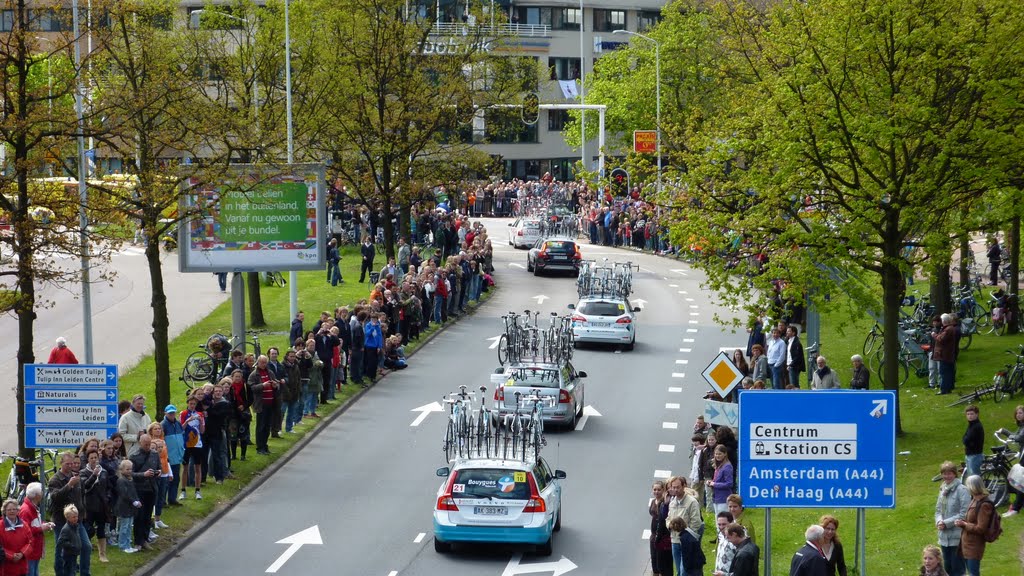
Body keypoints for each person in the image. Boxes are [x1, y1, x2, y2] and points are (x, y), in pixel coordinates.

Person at [48, 452, 89, 576]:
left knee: (86, 546)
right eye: (67, 464)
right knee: (62, 551)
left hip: (77, 520)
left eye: (72, 463)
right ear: (61, 463)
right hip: (62, 521)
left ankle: (84, 573)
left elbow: (81, 497)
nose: (70, 466)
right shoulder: (55, 479)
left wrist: (83, 512)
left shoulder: (77, 477)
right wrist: (69, 485)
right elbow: (55, 498)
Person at [934, 460, 969, 576]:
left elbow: (964, 513)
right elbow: (938, 510)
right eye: (944, 473)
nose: (946, 476)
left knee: (958, 569)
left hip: (957, 536)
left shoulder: (962, 490)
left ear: (955, 474)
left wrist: (946, 523)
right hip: (944, 536)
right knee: (947, 568)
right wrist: (939, 521)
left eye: (949, 473)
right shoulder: (943, 489)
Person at [956, 475, 994, 576]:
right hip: (967, 543)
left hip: (974, 545)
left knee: (973, 573)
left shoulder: (984, 504)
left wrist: (964, 524)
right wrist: (962, 521)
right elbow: (970, 518)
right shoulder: (974, 499)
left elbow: (981, 528)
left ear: (973, 487)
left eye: (967, 485)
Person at [128, 434, 159, 551]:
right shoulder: (134, 456)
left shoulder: (154, 454)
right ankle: (138, 541)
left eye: (149, 444)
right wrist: (143, 474)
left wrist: (157, 472)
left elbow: (158, 467)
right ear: (140, 443)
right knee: (139, 517)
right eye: (145, 444)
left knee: (147, 516)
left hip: (152, 488)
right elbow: (130, 474)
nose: (147, 446)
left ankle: (145, 539)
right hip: (139, 489)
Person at [79, 450, 109, 563]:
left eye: (95, 457)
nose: (94, 460)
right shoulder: (83, 472)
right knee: (88, 529)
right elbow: (85, 486)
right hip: (89, 506)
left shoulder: (104, 472)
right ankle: (86, 553)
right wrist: (94, 475)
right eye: (91, 458)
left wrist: (107, 498)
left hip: (101, 505)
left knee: (101, 530)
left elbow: (108, 487)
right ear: (88, 459)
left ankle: (102, 554)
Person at [19, 483, 54, 576]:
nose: (43, 493)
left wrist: (45, 524)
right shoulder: (26, 510)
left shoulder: (33, 507)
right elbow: (24, 531)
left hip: (35, 549)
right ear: (37, 495)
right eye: (41, 491)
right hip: (30, 551)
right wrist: (41, 528)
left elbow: (35, 524)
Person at [248, 355, 280, 455]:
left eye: (265, 362)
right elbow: (251, 387)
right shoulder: (254, 374)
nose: (263, 364)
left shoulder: (270, 372)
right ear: (258, 362)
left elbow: (276, 385)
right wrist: (262, 385)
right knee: (260, 426)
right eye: (262, 362)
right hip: (261, 404)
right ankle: (260, 448)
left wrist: (275, 386)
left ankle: (265, 446)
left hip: (270, 403)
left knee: (267, 426)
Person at [179, 395, 205, 500]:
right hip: (186, 444)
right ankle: (183, 491)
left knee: (198, 467)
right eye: (191, 404)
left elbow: (202, 431)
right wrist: (188, 420)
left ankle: (197, 490)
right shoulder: (183, 414)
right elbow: (181, 429)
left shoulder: (200, 414)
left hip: (197, 443)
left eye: (194, 404)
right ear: (187, 403)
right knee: (185, 467)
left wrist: (200, 421)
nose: (192, 406)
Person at [160, 405, 184, 507]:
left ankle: (172, 499)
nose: (172, 415)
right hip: (168, 457)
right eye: (170, 413)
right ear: (165, 413)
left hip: (177, 457)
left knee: (176, 479)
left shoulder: (178, 423)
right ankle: (163, 501)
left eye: (173, 413)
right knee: (167, 480)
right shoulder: (163, 425)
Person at [1, 498, 33, 576]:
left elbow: (30, 541)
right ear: (4, 512)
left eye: (14, 509)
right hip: (6, 567)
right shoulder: (0, 526)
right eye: (9, 510)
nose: (12, 511)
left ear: (18, 511)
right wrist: (11, 556)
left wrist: (22, 553)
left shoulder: (24, 525)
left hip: (22, 567)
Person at [649, 480, 673, 576]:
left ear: (663, 490)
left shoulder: (665, 502)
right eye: (654, 489)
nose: (656, 492)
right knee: (654, 559)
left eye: (659, 489)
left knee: (662, 563)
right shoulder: (653, 501)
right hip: (653, 534)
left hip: (662, 536)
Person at [705, 445, 734, 515]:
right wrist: (711, 482)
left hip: (723, 498)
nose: (717, 456)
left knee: (724, 519)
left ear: (725, 454)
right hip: (716, 497)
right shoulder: (718, 466)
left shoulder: (727, 466)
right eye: (716, 454)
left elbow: (729, 483)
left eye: (720, 454)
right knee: (718, 521)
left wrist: (714, 484)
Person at [933, 314, 957, 395]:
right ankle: (949, 388)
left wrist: (934, 335)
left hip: (945, 354)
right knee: (949, 371)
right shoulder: (950, 328)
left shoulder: (948, 329)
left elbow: (941, 339)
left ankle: (944, 389)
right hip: (948, 354)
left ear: (944, 321)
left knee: (944, 372)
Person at [55, 505, 82, 576]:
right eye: (73, 517)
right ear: (68, 518)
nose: (76, 518)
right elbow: (61, 542)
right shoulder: (66, 529)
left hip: (74, 554)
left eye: (77, 516)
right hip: (68, 555)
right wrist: (72, 546)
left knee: (73, 571)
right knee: (69, 572)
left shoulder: (75, 526)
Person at [710, 512, 736, 576]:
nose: (721, 527)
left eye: (724, 524)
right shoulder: (721, 536)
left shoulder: (736, 540)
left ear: (732, 523)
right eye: (719, 524)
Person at [963, 405, 984, 477]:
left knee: (974, 477)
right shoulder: (971, 425)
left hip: (975, 455)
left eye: (972, 414)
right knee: (971, 477)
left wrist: (966, 440)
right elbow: (965, 438)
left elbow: (966, 440)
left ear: (977, 414)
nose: (970, 416)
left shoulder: (976, 426)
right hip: (970, 455)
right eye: (968, 414)